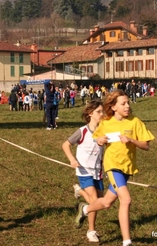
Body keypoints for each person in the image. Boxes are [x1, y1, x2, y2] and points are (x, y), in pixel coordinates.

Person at [75, 90, 155, 246]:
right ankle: (127, 241)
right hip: (113, 166)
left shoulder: (135, 121)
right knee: (126, 199)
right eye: (123, 103)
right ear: (113, 107)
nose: (127, 106)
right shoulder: (106, 122)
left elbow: (146, 145)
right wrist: (100, 140)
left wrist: (131, 140)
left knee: (106, 203)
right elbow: (97, 138)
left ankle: (84, 210)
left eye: (128, 103)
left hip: (127, 168)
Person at [62, 100, 105, 242]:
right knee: (94, 200)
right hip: (84, 170)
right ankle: (91, 231)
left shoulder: (103, 131)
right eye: (99, 112)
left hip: (98, 170)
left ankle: (80, 192)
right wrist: (72, 160)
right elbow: (65, 145)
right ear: (90, 113)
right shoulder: (82, 131)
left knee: (99, 201)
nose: (102, 114)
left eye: (102, 111)